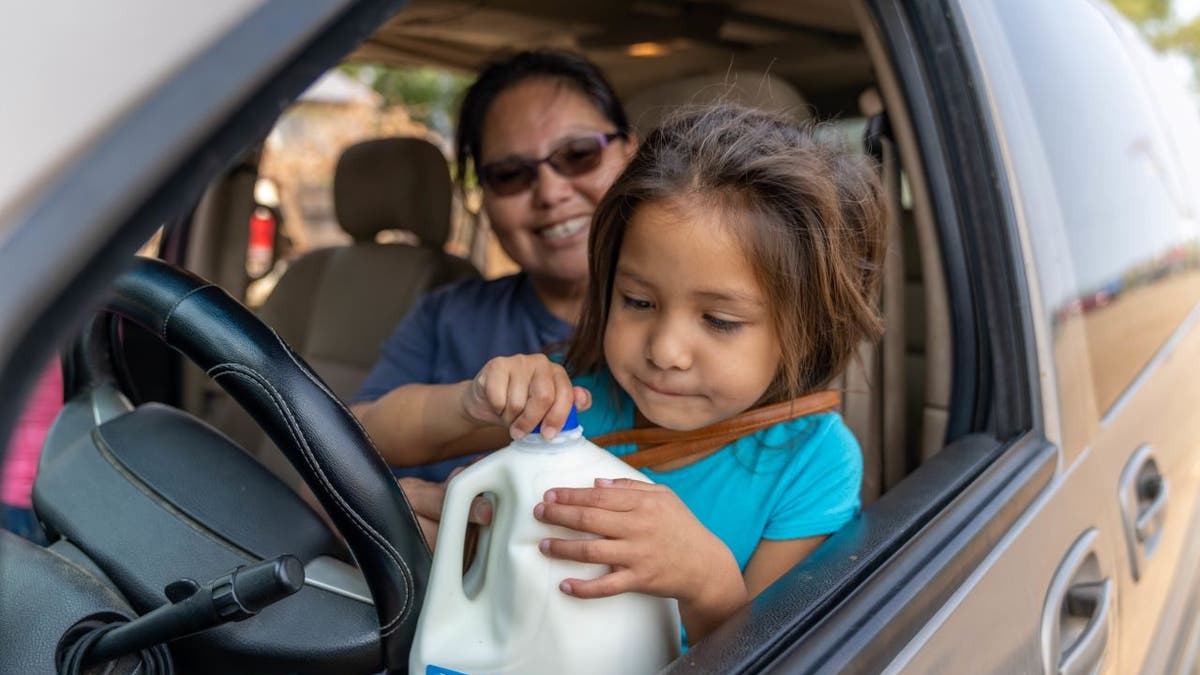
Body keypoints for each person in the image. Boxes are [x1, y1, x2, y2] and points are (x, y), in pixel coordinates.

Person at [374, 104, 888, 644]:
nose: (665, 351)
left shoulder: (813, 460)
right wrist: (469, 402)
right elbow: (372, 434)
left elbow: (772, 651)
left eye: (719, 320)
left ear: (804, 328)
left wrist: (707, 581)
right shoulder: (573, 398)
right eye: (638, 301)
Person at [351, 49, 636, 486]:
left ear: (632, 152)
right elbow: (342, 445)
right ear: (482, 197)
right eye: (509, 174)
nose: (550, 192)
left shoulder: (695, 331)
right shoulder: (445, 315)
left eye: (578, 154)